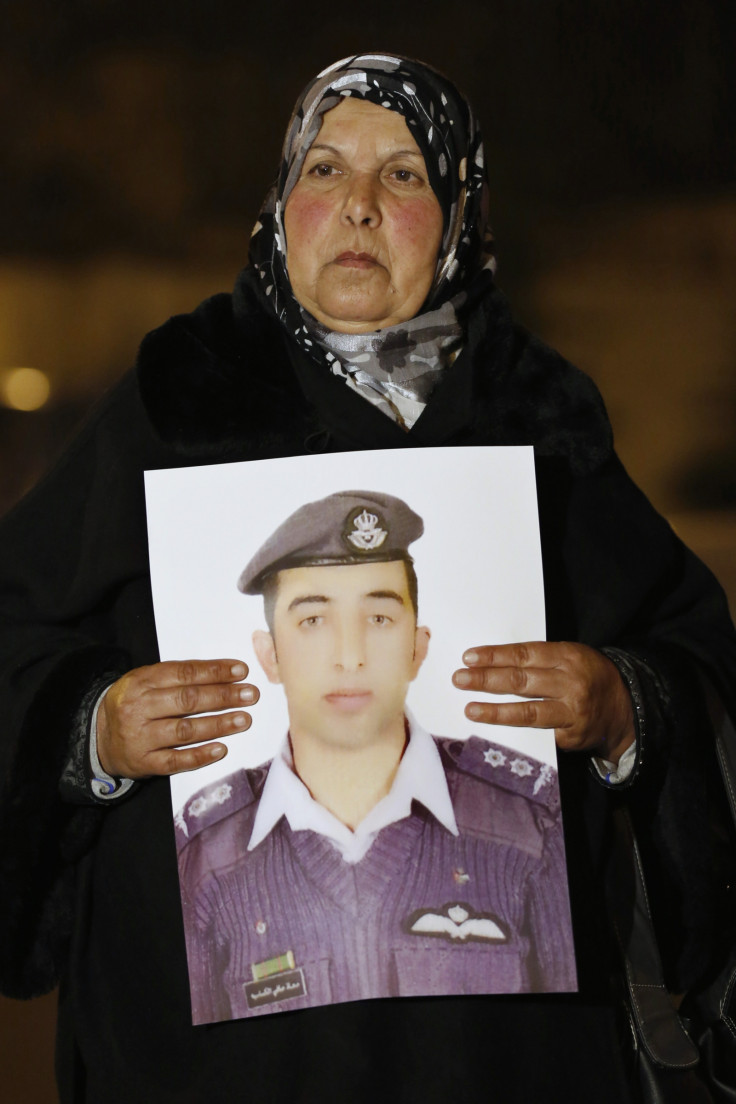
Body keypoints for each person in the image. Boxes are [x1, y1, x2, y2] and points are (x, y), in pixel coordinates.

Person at [0, 52, 734, 1103]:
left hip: (496, 1061)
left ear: (459, 216)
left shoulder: (539, 420)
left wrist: (626, 708)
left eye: (402, 176)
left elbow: (697, 656)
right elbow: (15, 632)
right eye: (324, 169)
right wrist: (93, 731)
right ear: (279, 206)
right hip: (214, 1063)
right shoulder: (176, 401)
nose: (355, 207)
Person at [177, 489, 576, 1022]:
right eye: (314, 620)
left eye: (380, 618)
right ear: (270, 655)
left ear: (418, 646)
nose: (350, 656)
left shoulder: (532, 825)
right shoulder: (204, 859)